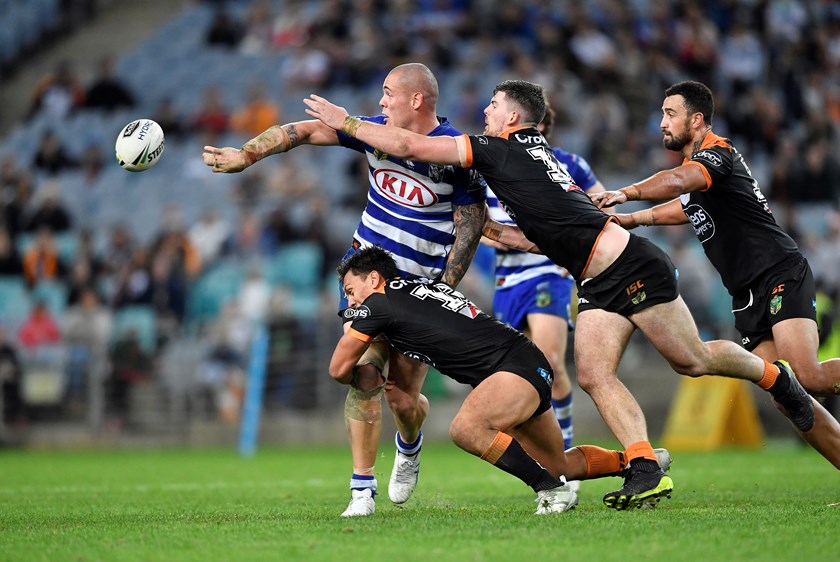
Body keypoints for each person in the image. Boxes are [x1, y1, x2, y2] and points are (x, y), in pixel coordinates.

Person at [304, 78, 821, 510]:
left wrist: (345, 120)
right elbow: (530, 233)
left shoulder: (497, 148)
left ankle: (776, 378)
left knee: (693, 360)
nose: (483, 112)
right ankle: (643, 465)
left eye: (492, 105)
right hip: (595, 275)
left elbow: (412, 146)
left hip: (627, 263)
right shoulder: (532, 154)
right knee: (594, 375)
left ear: (512, 118)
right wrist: (481, 228)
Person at [203, 63, 486, 517]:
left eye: (389, 93)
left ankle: (409, 445)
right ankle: (361, 491)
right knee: (365, 376)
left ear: (417, 99)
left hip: (419, 288)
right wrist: (247, 155)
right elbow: (307, 131)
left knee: (404, 398)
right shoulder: (373, 131)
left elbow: (471, 224)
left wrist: (446, 288)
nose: (380, 102)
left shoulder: (453, 154)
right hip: (365, 285)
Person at [590, 80, 840, 469]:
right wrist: (632, 219)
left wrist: (627, 192)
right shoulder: (697, 173)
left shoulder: (716, 153)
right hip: (746, 293)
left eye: (670, 114)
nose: (661, 123)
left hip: (778, 271)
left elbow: (678, 183)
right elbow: (682, 206)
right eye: (661, 114)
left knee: (807, 375)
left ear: (697, 119)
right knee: (787, 393)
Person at [331, 246, 670, 514]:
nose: (350, 300)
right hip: (523, 362)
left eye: (350, 289)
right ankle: (640, 461)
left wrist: (356, 364)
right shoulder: (420, 289)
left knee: (466, 428)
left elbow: (336, 368)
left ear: (374, 278)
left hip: (511, 367)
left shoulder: (378, 303)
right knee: (560, 463)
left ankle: (551, 491)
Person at [483, 102, 609, 463]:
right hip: (508, 279)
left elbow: (602, 206)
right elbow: (476, 222)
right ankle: (545, 448)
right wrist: (498, 234)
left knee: (552, 361)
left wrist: (576, 242)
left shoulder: (569, 165)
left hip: (549, 272)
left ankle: (564, 452)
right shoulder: (492, 163)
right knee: (524, 371)